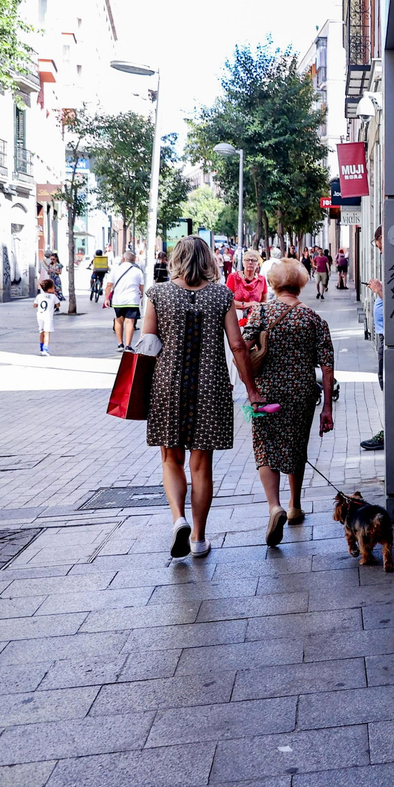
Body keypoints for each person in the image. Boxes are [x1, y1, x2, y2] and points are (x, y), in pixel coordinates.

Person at [139, 236, 263, 559]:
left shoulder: (157, 294)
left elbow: (148, 345)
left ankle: (178, 518)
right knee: (201, 466)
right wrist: (252, 390)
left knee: (170, 459)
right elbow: (238, 346)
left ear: (175, 260)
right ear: (208, 260)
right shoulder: (222, 295)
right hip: (210, 387)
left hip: (168, 385)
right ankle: (198, 538)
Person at [242, 258, 336, 545]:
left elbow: (241, 348)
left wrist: (249, 385)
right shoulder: (313, 318)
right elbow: (327, 367)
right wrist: (328, 408)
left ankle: (275, 506)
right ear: (300, 285)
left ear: (272, 284)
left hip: (265, 393)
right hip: (301, 394)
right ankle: (295, 505)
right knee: (296, 444)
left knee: (265, 446)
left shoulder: (260, 312)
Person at [362, 225, 387, 451]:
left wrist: (380, 290)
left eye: (381, 247)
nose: (380, 253)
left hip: (389, 337)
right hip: (383, 336)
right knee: (384, 384)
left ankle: (390, 431)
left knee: (388, 385)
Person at [103, 249, 145, 351]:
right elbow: (141, 286)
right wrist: (141, 295)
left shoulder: (115, 270)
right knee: (130, 322)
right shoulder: (138, 271)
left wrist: (106, 298)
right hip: (132, 300)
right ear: (134, 259)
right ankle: (128, 345)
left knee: (118, 320)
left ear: (123, 259)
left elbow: (109, 285)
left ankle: (120, 344)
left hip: (118, 300)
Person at [227, 250, 268, 327]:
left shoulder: (262, 280)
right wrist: (247, 304)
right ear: (243, 262)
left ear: (258, 264)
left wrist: (258, 306)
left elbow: (264, 301)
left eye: (253, 260)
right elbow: (228, 301)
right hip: (236, 318)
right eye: (247, 260)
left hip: (255, 320)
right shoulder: (233, 277)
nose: (250, 262)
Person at [33, 277, 59, 356]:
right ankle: (45, 350)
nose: (54, 289)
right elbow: (58, 305)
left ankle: (41, 348)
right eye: (53, 287)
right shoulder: (53, 296)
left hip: (40, 316)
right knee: (47, 333)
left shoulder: (39, 296)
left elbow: (34, 305)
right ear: (50, 288)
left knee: (41, 332)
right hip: (48, 317)